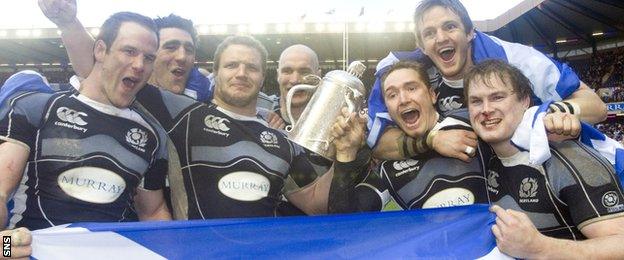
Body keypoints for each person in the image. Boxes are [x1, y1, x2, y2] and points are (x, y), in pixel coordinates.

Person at [135, 35, 370, 219]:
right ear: (215, 72)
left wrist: (344, 155)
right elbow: (111, 67)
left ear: (263, 76)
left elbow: (317, 204)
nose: (241, 73)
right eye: (231, 65)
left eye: (252, 67)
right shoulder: (184, 115)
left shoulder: (281, 142)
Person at [0, 11, 172, 257]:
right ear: (101, 50)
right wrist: (4, 249)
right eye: (130, 51)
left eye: (149, 57)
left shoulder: (152, 136)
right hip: (33, 252)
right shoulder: (37, 108)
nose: (139, 65)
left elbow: (153, 213)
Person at [367, 0, 606, 162]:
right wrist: (431, 139)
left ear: (470, 33)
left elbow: (595, 106)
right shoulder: (402, 73)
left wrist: (549, 114)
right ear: (421, 46)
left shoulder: (515, 58)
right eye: (429, 33)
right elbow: (377, 143)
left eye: (450, 27)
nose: (440, 38)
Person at [465, 59, 624, 259]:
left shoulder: (567, 157)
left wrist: (542, 249)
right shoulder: (480, 157)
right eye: (476, 101)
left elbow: (620, 244)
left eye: (497, 97)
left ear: (525, 101)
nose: (486, 109)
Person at [330, 61, 490, 213]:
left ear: (432, 95)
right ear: (388, 109)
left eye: (411, 88)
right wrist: (345, 153)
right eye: (392, 95)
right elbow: (344, 219)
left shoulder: (471, 122)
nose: (403, 100)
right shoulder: (388, 168)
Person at [38, 0, 209, 102]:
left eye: (189, 49)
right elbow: (97, 63)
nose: (182, 56)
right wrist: (68, 23)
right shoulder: (131, 94)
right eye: (170, 47)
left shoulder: (204, 89)